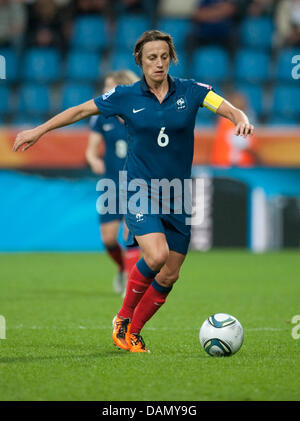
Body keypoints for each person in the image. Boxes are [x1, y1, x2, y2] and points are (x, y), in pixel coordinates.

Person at [13, 29, 254, 353]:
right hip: (139, 188)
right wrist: (39, 130)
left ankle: (134, 332)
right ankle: (123, 318)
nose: (159, 63)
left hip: (178, 193)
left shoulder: (192, 90)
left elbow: (225, 107)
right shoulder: (124, 96)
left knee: (170, 274)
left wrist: (240, 117)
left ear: (172, 59)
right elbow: (81, 111)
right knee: (156, 255)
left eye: (164, 57)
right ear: (140, 60)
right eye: (152, 57)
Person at [86, 70, 140, 295]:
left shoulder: (139, 114)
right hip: (110, 184)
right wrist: (93, 159)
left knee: (130, 235)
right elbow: (90, 151)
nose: (104, 93)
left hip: (136, 184)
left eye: (109, 88)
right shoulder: (101, 117)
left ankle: (131, 283)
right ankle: (122, 268)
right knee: (108, 239)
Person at [210, 91, 260, 167]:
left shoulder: (226, 121)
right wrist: (260, 158)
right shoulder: (231, 122)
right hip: (230, 168)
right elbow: (243, 144)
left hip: (227, 166)